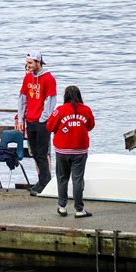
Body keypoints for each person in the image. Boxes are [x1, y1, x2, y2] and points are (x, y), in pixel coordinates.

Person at [46, 86, 95, 218]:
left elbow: (49, 126)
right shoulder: (86, 110)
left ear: (65, 96)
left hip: (62, 150)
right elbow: (90, 126)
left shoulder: (59, 110)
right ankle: (79, 209)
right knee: (77, 180)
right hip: (80, 150)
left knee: (62, 179)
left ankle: (62, 207)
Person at [16, 50, 57, 196]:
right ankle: (42, 180)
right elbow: (23, 98)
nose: (27, 66)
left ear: (38, 62)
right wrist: (21, 118)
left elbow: (51, 100)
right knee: (34, 152)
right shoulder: (28, 78)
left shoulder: (48, 78)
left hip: (41, 121)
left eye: (30, 63)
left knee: (42, 153)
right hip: (30, 120)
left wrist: (43, 117)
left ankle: (45, 182)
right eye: (27, 63)